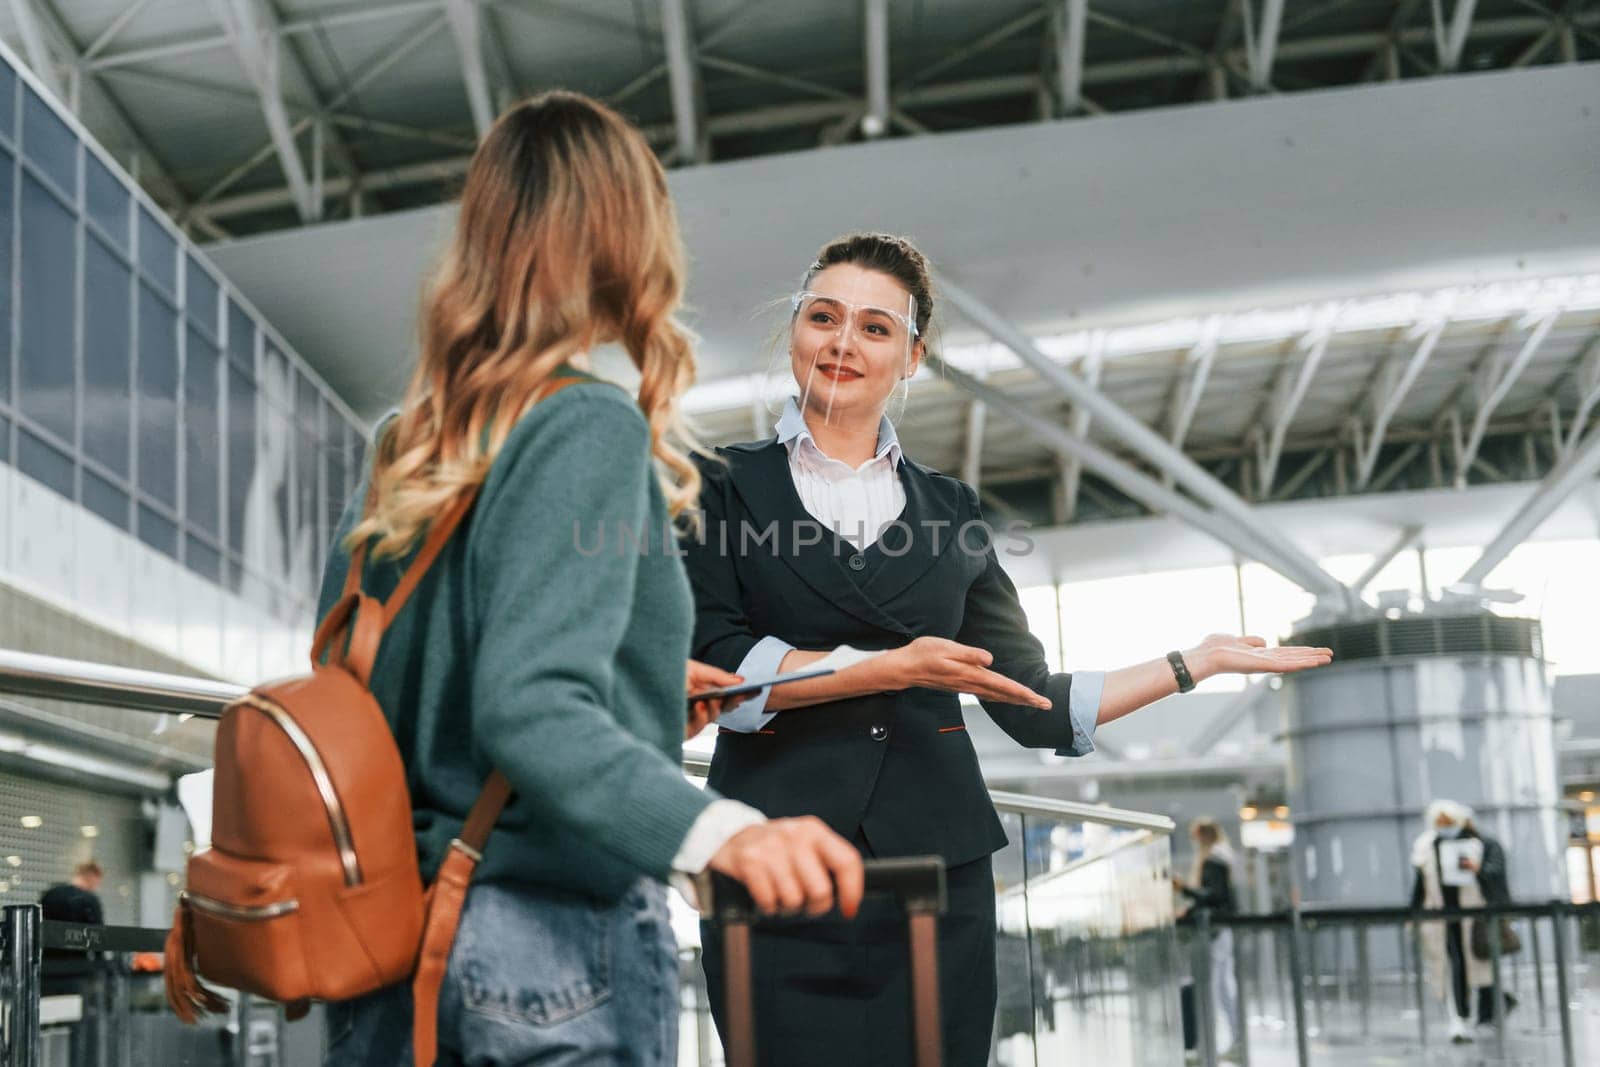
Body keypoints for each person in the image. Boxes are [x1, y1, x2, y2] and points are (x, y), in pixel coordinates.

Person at [681, 231, 1334, 1066]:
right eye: (824, 317)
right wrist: (885, 669)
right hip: (774, 862)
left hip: (938, 871)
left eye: (876, 328)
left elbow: (1033, 702)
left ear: (911, 357)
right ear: (796, 332)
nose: (844, 342)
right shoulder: (718, 485)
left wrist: (1191, 663)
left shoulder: (953, 510)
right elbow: (720, 671)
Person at [314, 91, 863, 1066]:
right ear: (625, 235)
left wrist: (641, 690)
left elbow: (394, 694)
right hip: (542, 954)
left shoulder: (414, 445)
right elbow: (527, 706)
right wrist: (716, 831)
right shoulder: (582, 423)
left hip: (394, 954)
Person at [1410, 799, 1518, 1043]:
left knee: (1481, 965)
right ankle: (1461, 1017)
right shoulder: (1429, 847)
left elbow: (1495, 878)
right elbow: (1420, 885)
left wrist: (1477, 870)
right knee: (1455, 967)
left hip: (1478, 917)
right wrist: (1415, 915)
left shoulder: (1483, 845)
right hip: (1444, 918)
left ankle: (1489, 1012)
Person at [1175, 818, 1240, 1060]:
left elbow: (1212, 896)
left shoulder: (1213, 859)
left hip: (1216, 931)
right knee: (1222, 988)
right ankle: (1229, 1039)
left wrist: (1184, 890)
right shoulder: (1220, 857)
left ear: (1204, 835)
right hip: (1220, 930)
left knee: (1215, 989)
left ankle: (1209, 1043)